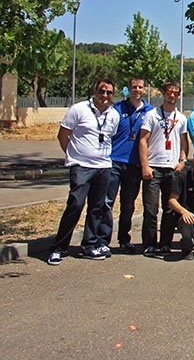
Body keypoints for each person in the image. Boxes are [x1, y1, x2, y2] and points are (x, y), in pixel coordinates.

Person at [48, 80, 121, 265]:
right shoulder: (79, 109)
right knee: (75, 204)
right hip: (81, 166)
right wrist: (73, 155)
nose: (105, 96)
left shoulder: (114, 114)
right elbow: (63, 135)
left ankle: (89, 245)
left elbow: (109, 138)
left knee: (97, 208)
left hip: (103, 166)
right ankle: (59, 247)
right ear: (94, 91)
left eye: (109, 92)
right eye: (102, 91)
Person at [137, 80, 190, 256]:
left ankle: (165, 243)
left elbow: (184, 142)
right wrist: (145, 165)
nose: (172, 95)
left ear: (179, 95)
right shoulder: (152, 115)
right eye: (169, 92)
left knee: (170, 209)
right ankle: (150, 244)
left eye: (176, 93)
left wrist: (182, 161)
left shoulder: (181, 118)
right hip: (154, 167)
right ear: (164, 93)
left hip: (172, 168)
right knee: (151, 209)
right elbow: (143, 140)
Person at [100, 77, 152, 254]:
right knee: (107, 202)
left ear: (144, 90)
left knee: (128, 205)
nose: (137, 89)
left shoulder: (149, 111)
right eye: (134, 87)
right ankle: (102, 240)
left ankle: (124, 239)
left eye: (140, 87)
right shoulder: (117, 108)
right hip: (114, 162)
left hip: (134, 165)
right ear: (128, 89)